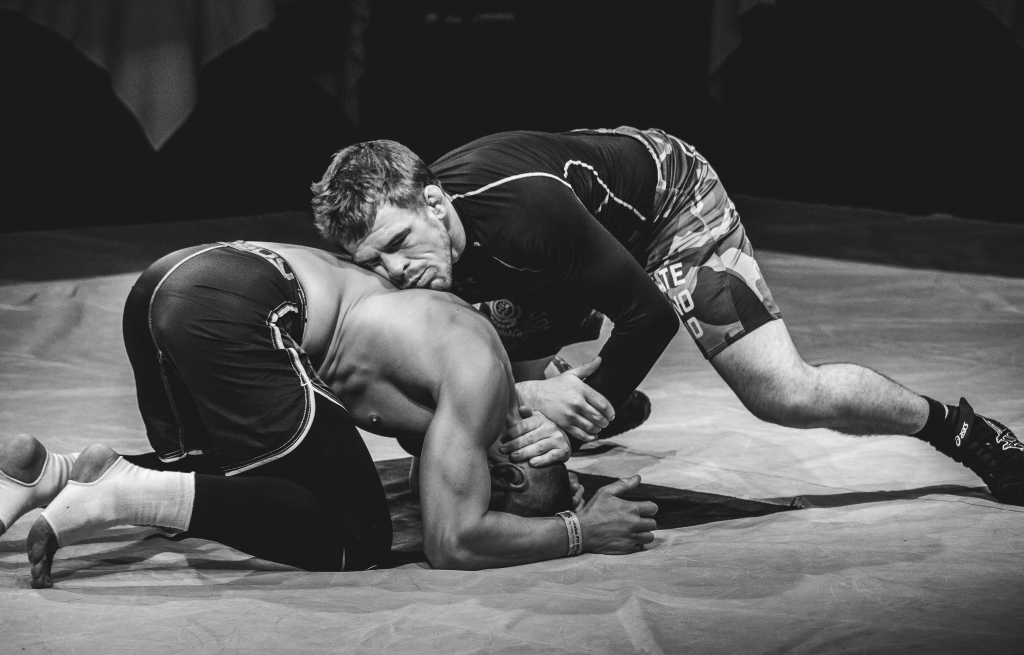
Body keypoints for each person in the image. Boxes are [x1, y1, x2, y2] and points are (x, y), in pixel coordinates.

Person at [308, 131, 1024, 505]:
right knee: (475, 348)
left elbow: (647, 317)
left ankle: (963, 431)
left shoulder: (525, 213)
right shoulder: (420, 256)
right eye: (377, 261)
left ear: (434, 202)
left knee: (781, 391)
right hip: (567, 251)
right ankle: (577, 390)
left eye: (401, 244)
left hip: (670, 206)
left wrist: (577, 411)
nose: (397, 273)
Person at [0, 240, 657, 588]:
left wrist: (578, 416)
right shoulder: (480, 383)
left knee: (230, 478)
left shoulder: (453, 366)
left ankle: (51, 475)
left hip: (174, 279)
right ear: (509, 470)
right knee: (356, 535)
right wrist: (582, 529)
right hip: (236, 302)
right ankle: (125, 489)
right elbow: (454, 542)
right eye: (502, 490)